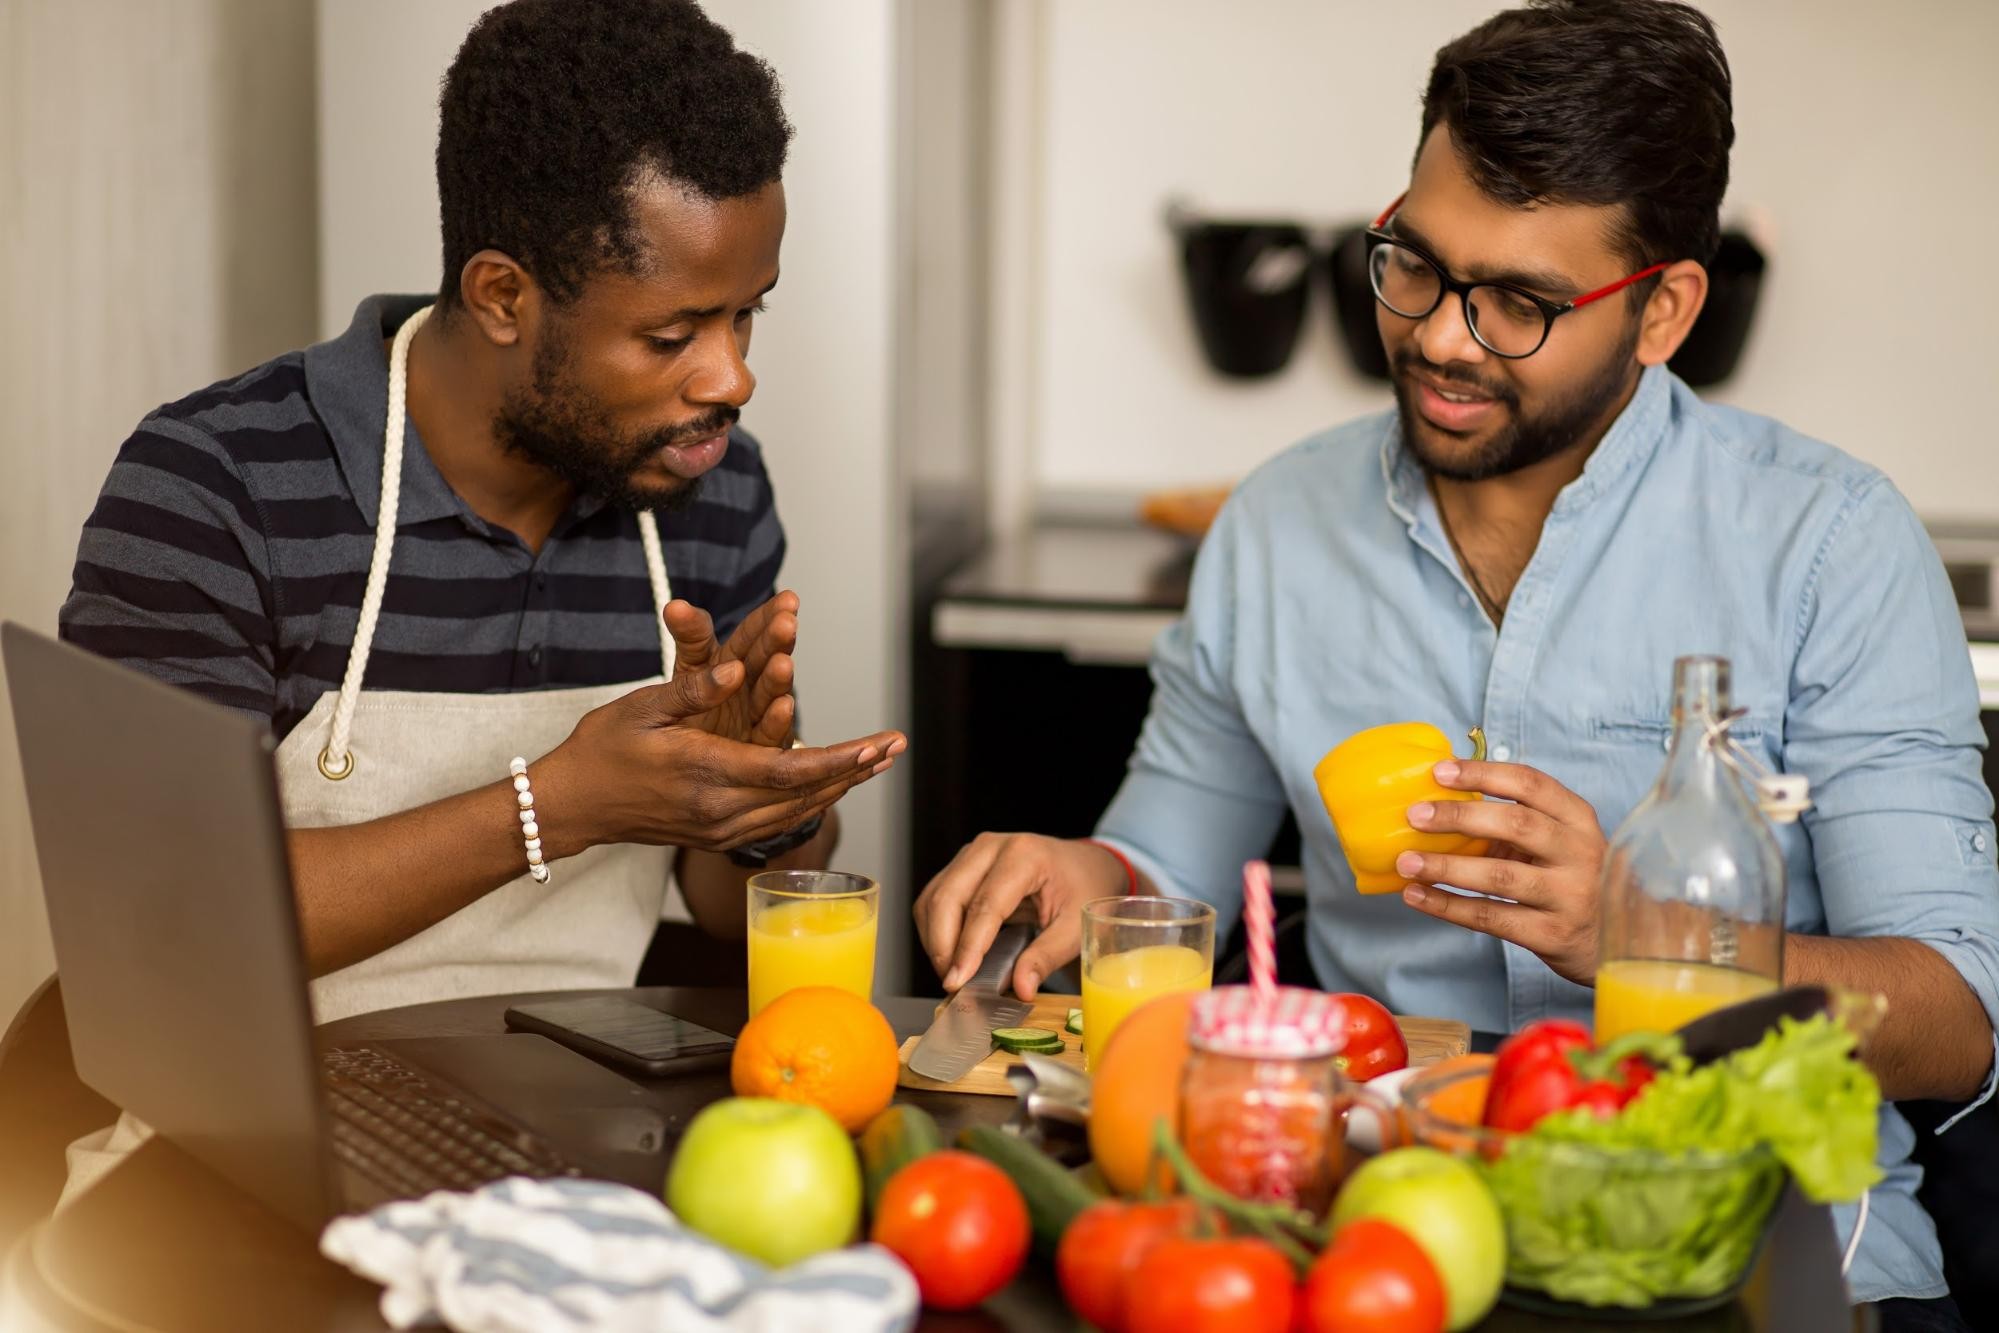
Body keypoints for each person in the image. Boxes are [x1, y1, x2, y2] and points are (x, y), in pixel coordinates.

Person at [914, 3, 1997, 1325]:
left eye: (1519, 305)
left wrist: (1637, 933)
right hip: (1381, 1247)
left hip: (1765, 1260)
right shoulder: (1273, 526)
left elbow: (1956, 1017)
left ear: (1659, 310)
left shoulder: (1826, 545)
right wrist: (1083, 877)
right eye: (1413, 265)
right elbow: (1162, 869)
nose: (1439, 336)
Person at [60, 0, 903, 1028]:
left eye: (746, 312)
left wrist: (757, 803)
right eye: (674, 332)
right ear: (503, 295)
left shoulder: (709, 492)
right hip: (253, 1138)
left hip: (573, 1118)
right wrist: (562, 801)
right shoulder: (216, 486)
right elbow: (178, 918)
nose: (732, 377)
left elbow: (730, 912)